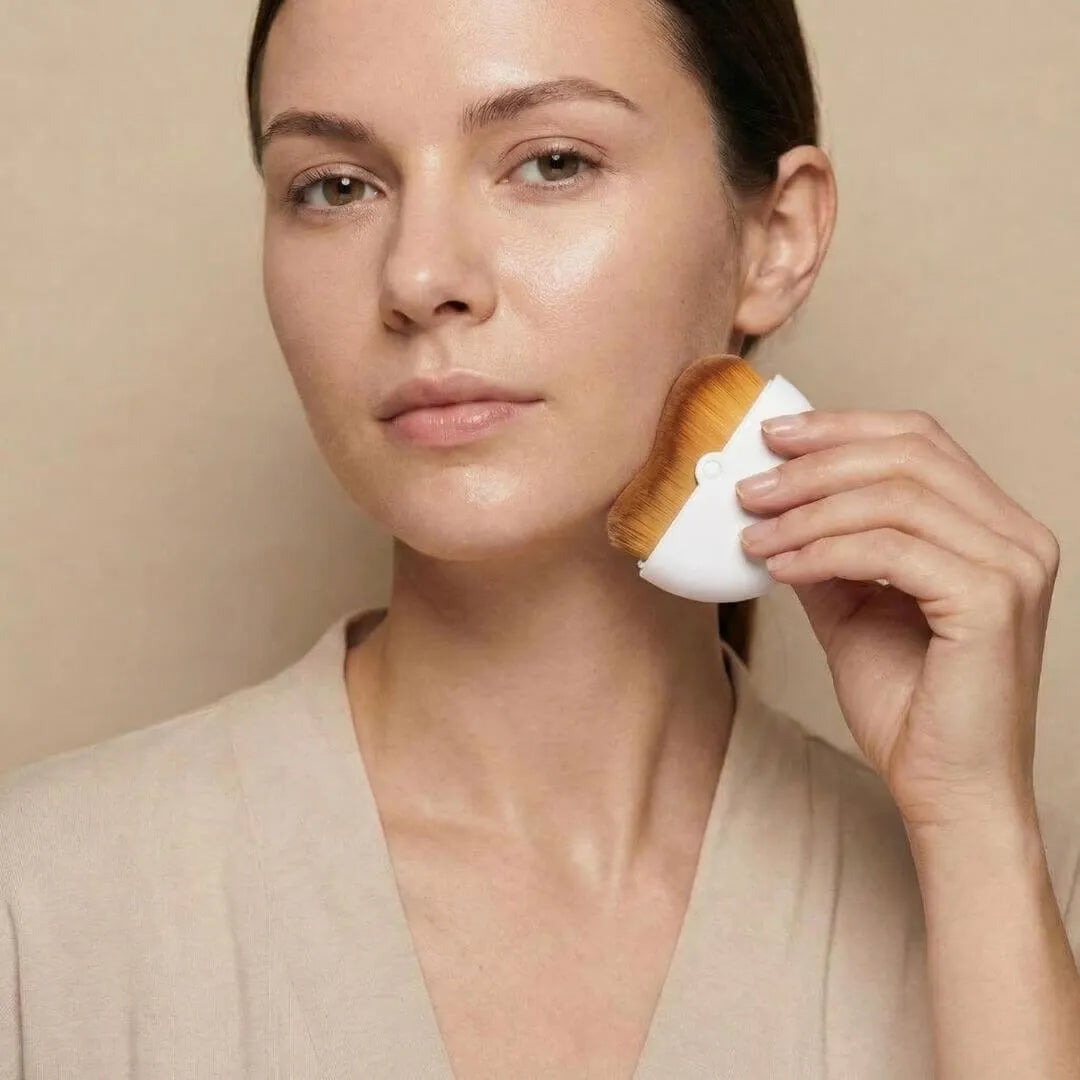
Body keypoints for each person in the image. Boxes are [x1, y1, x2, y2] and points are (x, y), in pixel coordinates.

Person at [3, 0, 1079, 1076]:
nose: (419, 278)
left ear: (776, 239)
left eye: (552, 163)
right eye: (336, 187)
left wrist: (975, 838)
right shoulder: (40, 905)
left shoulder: (1022, 913)